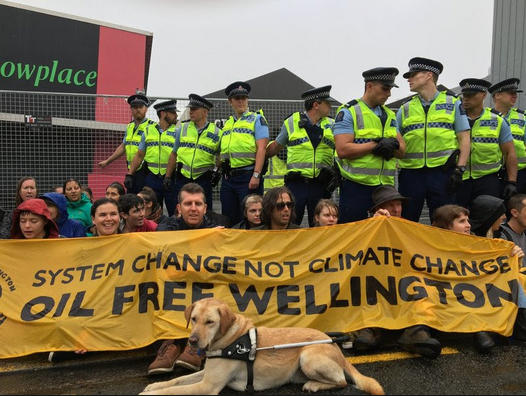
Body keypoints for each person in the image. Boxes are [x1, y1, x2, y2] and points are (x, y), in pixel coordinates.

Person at [355, 184, 441, 359]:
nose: (396, 209)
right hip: (378, 286)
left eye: (398, 205)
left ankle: (415, 333)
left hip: (406, 285)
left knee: (422, 291)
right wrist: (374, 223)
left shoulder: (410, 228)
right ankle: (370, 331)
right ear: (379, 209)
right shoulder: (367, 227)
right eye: (390, 205)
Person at [148, 183, 215, 376]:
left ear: (205, 208)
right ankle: (171, 343)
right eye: (188, 203)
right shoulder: (167, 227)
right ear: (178, 208)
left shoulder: (218, 231)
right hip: (175, 287)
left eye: (198, 203)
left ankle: (196, 346)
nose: (193, 208)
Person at [397, 57, 471, 222]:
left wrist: (460, 169)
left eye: (413, 75)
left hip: (442, 174)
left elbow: (464, 138)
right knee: (407, 221)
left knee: (444, 222)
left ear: (429, 75)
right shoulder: (405, 108)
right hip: (411, 174)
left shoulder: (452, 103)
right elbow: (396, 139)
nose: (409, 79)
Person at [333, 67, 406, 223]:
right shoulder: (349, 112)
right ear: (369, 86)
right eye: (385, 88)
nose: (389, 94)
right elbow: (343, 150)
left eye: (390, 89)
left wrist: (390, 145)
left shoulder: (390, 115)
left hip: (385, 188)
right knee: (353, 235)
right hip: (356, 187)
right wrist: (375, 145)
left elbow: (402, 151)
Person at [266, 85, 335, 226]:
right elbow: (275, 147)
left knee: (320, 225)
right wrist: (260, 153)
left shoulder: (333, 125)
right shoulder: (292, 122)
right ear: (316, 105)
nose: (330, 107)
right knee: (291, 223)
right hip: (297, 184)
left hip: (321, 184)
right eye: (327, 103)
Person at [455, 78, 517, 208]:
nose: (466, 98)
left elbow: (510, 152)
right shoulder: (454, 118)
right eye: (464, 95)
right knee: (456, 220)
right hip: (458, 179)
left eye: (471, 95)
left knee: (487, 222)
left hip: (488, 180)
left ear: (483, 95)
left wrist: (512, 181)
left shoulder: (497, 120)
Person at [220, 81, 269, 225]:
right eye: (237, 98)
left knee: (251, 218)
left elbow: (262, 148)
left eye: (243, 98)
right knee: (228, 217)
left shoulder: (257, 119)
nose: (240, 101)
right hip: (228, 179)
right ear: (230, 101)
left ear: (247, 100)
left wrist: (256, 174)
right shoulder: (227, 124)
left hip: (248, 178)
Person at [165, 94, 221, 210]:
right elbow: (174, 154)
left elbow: (221, 154)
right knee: (182, 210)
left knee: (204, 212)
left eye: (195, 109)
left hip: (204, 179)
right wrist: (168, 176)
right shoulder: (182, 128)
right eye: (191, 109)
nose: (191, 112)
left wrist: (216, 171)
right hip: (182, 179)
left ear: (205, 112)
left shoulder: (217, 132)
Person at [126, 99, 178, 216]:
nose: (176, 115)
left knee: (174, 211)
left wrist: (168, 176)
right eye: (173, 113)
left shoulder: (177, 132)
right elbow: (139, 155)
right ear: (163, 114)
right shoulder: (148, 130)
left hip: (171, 178)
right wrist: (130, 174)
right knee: (150, 212)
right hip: (152, 178)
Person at [98, 93, 155, 193]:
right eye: (135, 107)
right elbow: (123, 147)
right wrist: (107, 161)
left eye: (140, 107)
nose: (138, 109)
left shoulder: (152, 127)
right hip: (131, 171)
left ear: (146, 109)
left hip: (146, 171)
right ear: (131, 110)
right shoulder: (130, 126)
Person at [490, 78, 526, 193]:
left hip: (520, 175)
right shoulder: (486, 117)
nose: (515, 96)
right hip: (493, 174)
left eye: (516, 93)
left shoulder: (522, 117)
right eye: (511, 93)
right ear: (498, 95)